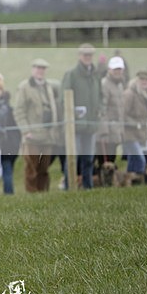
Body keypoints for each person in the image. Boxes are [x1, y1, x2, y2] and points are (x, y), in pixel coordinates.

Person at [14, 59, 59, 192]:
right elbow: (19, 110)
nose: (40, 71)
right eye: (38, 68)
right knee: (31, 168)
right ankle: (32, 194)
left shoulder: (48, 86)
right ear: (32, 70)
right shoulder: (24, 87)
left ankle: (43, 193)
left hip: (47, 135)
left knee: (44, 168)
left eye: (43, 69)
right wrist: (26, 130)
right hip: (32, 135)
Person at [61, 43, 102, 189]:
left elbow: (100, 97)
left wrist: (100, 110)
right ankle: (68, 186)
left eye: (90, 55)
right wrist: (72, 113)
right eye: (85, 55)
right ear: (80, 56)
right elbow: (63, 98)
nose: (87, 57)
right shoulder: (71, 74)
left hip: (91, 125)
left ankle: (87, 186)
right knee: (73, 158)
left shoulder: (95, 75)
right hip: (75, 125)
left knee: (89, 158)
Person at [122, 69, 147, 184]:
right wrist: (135, 124)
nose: (144, 82)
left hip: (141, 135)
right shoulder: (129, 94)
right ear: (137, 80)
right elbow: (122, 114)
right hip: (129, 134)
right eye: (142, 79)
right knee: (140, 161)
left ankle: (128, 185)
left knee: (133, 163)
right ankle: (138, 184)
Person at [0, 75, 21, 195]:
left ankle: (8, 193)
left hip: (7, 144)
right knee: (2, 170)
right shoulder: (6, 107)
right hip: (1, 143)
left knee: (6, 169)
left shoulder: (7, 109)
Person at [98, 56, 126, 168]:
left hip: (116, 129)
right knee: (104, 160)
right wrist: (103, 130)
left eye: (119, 69)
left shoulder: (119, 85)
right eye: (115, 69)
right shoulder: (104, 84)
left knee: (112, 157)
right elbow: (102, 109)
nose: (117, 72)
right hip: (106, 130)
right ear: (109, 70)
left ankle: (108, 183)